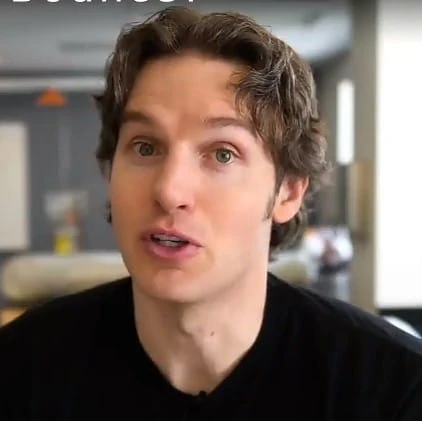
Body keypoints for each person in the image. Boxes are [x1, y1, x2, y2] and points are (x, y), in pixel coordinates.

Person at [0, 6, 421, 420]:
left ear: (289, 191)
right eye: (145, 147)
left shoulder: (395, 388)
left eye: (222, 153)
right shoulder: (20, 369)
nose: (169, 190)